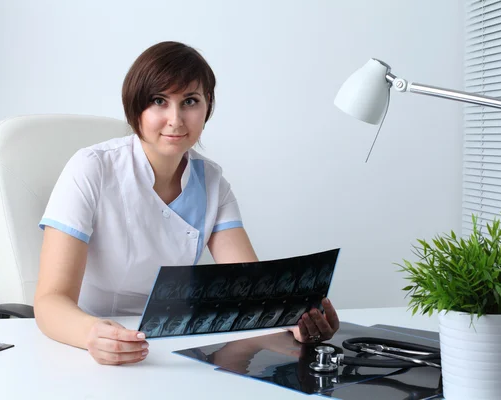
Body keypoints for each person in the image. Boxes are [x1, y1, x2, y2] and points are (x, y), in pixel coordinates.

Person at [33, 41, 340, 365]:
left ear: (207, 107)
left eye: (190, 101)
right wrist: (91, 334)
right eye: (159, 101)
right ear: (135, 107)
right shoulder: (91, 168)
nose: (175, 119)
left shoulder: (212, 184)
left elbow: (254, 295)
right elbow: (50, 301)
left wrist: (297, 323)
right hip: (88, 346)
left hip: (172, 345)